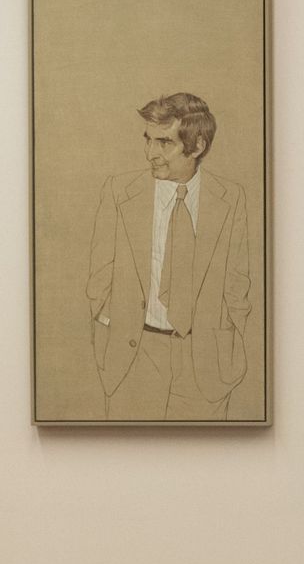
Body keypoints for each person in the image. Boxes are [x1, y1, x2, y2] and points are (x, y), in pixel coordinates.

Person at [86, 93, 251, 421]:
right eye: (148, 141)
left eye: (164, 143)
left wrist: (231, 339)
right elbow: (98, 278)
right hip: (133, 358)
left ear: (198, 146)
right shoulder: (119, 192)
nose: (151, 154)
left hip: (206, 365)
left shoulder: (230, 198)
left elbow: (238, 282)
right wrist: (107, 331)